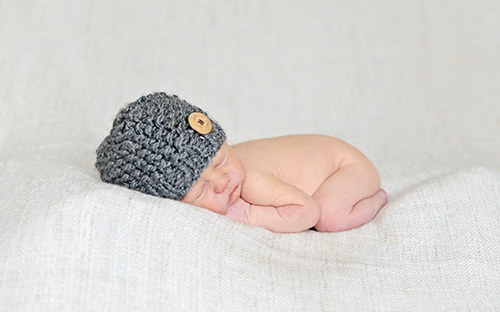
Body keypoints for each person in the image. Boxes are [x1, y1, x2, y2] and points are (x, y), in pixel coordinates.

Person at [96, 93, 387, 233]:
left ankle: (376, 199)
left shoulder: (250, 179)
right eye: (201, 190)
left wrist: (246, 215)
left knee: (329, 217)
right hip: (332, 158)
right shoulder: (224, 172)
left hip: (344, 166)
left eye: (220, 161)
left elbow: (306, 212)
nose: (223, 182)